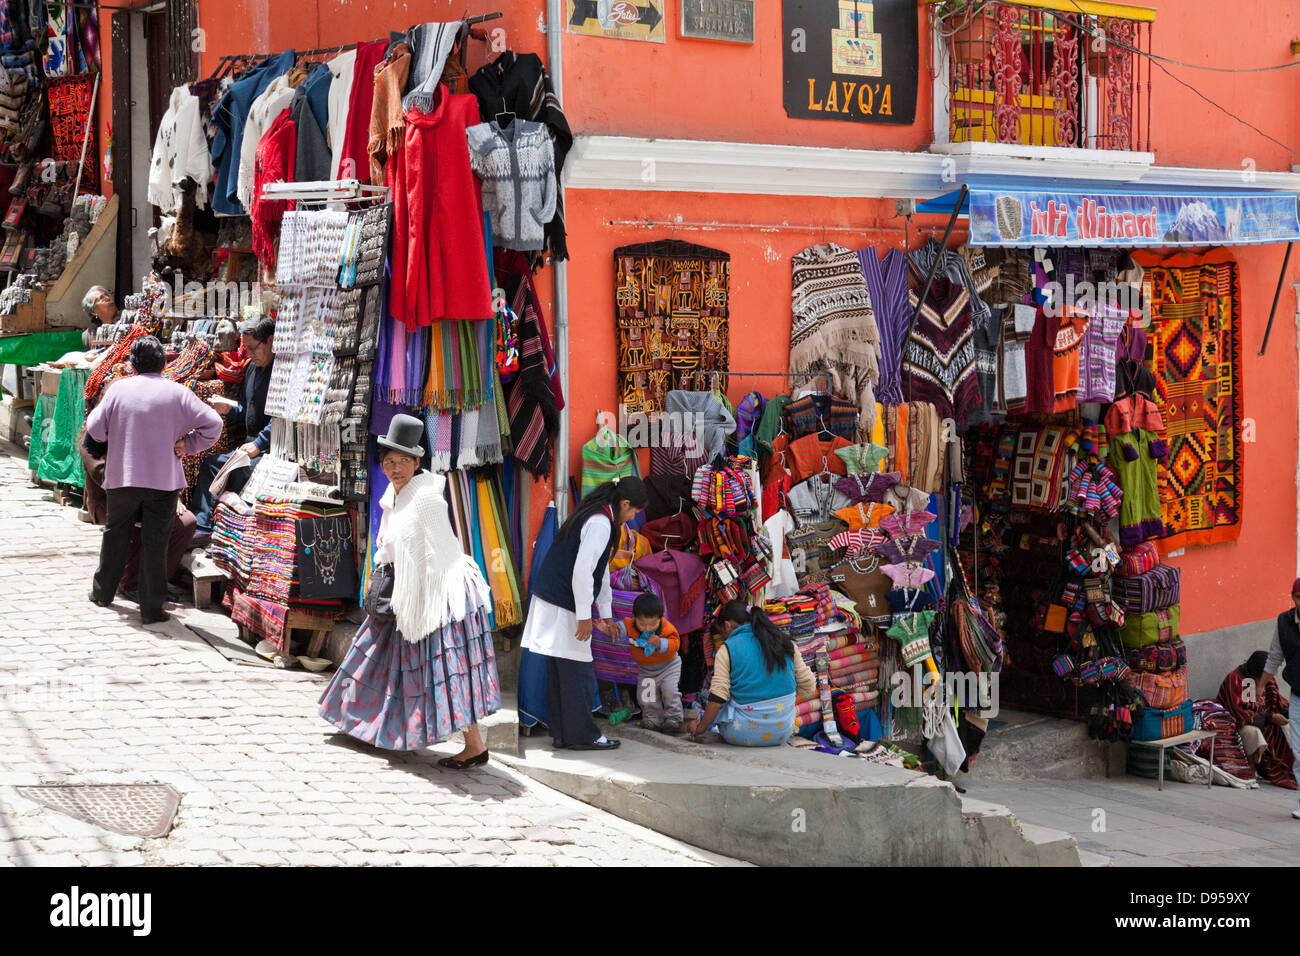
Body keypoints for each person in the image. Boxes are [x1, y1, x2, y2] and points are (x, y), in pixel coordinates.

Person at [318, 415, 500, 767]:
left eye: (403, 461)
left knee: (446, 671)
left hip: (437, 597)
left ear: (417, 463)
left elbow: (435, 556)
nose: (395, 467)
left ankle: (475, 746)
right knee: (374, 659)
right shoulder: (395, 494)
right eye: (389, 460)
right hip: (404, 593)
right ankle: (364, 723)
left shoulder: (425, 499)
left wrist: (418, 601)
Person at [84, 336, 223, 624]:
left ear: (133, 363)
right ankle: (151, 608)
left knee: (116, 535)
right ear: (163, 363)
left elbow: (95, 429)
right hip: (163, 482)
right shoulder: (178, 393)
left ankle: (102, 592)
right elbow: (215, 424)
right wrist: (189, 444)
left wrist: (116, 435)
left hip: (123, 478)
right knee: (155, 542)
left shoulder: (119, 389)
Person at [521, 476, 648, 751]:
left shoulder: (598, 515)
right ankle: (583, 735)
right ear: (624, 503)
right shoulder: (602, 523)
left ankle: (564, 733)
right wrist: (585, 618)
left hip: (553, 597)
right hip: (564, 601)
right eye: (634, 511)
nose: (633, 517)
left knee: (561, 670)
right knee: (578, 671)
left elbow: (599, 572)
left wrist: (604, 615)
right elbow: (582, 573)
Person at [79, 429, 197, 604]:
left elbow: (162, 464)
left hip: (150, 495)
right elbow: (102, 475)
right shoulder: (93, 432)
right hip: (111, 500)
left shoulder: (142, 426)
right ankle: (130, 583)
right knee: (139, 519)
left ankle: (155, 583)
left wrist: (173, 495)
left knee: (186, 522)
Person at [685, 600, 816, 747]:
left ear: (727, 626)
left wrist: (700, 729)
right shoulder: (785, 642)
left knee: (721, 703)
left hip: (741, 734)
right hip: (782, 732)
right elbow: (808, 686)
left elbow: (717, 698)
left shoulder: (728, 648)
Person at [192, 312, 275, 532]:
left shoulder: (279, 372)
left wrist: (259, 444)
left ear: (270, 340)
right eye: (245, 348)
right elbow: (246, 410)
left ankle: (216, 528)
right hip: (250, 445)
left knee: (240, 470)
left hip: (270, 448)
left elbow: (282, 417)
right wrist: (228, 408)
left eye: (253, 347)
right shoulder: (251, 368)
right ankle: (201, 526)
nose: (249, 353)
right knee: (211, 462)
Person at [603, 592, 682, 732]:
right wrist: (609, 630)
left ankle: (674, 718)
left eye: (652, 624)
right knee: (647, 695)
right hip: (647, 670)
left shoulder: (667, 627)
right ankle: (652, 719)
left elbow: (676, 644)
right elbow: (618, 630)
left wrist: (660, 642)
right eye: (642, 624)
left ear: (660, 618)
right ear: (634, 618)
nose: (647, 628)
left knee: (669, 690)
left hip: (669, 667)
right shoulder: (629, 624)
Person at [1218, 651, 1296, 790]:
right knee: (1253, 733)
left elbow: (1277, 702)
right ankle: (1251, 769)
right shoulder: (1235, 680)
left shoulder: (1266, 678)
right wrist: (1270, 717)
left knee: (1291, 727)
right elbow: (1242, 717)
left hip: (1265, 721)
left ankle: (1292, 768)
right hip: (1237, 725)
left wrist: (1288, 713)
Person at [1262, 578, 1300, 817]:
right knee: (1299, 750)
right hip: (1298, 694)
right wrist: (1260, 685)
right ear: (1293, 598)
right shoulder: (1284, 622)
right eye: (1298, 598)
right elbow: (1275, 656)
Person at [80, 285, 118, 350]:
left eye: (107, 295)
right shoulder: (88, 335)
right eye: (101, 298)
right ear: (93, 311)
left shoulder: (128, 319)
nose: (108, 298)